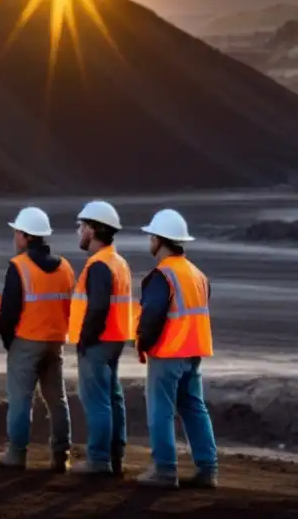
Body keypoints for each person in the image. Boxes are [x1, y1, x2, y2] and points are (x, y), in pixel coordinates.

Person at [135, 209, 217, 490]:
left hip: (168, 353)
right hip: (193, 353)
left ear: (159, 239)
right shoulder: (198, 274)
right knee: (195, 408)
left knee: (161, 410)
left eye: (151, 237)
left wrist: (142, 343)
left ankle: (164, 470)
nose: (149, 241)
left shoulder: (162, 276)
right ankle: (207, 468)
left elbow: (153, 315)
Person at [0, 206, 75, 473]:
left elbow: (7, 313)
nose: (15, 237)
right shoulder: (65, 267)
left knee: (21, 399)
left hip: (26, 341)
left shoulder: (19, 267)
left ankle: (16, 454)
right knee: (57, 400)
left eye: (17, 232)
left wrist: (12, 343)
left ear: (27, 236)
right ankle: (61, 456)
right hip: (55, 341)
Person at [67, 200, 133, 477]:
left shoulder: (99, 265)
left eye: (82, 227)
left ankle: (98, 460)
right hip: (115, 339)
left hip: (98, 341)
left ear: (93, 230)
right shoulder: (118, 262)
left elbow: (97, 307)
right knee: (112, 397)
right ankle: (115, 455)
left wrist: (84, 340)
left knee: (97, 400)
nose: (79, 232)